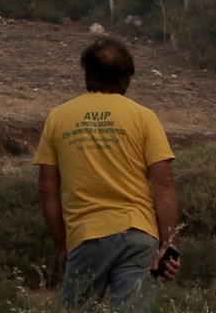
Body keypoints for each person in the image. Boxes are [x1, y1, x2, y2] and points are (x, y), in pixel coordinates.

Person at [36, 36, 179, 312]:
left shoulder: (58, 118)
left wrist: (62, 245)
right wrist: (169, 245)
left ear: (87, 73)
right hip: (139, 236)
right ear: (128, 77)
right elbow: (164, 183)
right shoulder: (144, 117)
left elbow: (47, 190)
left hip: (85, 236)